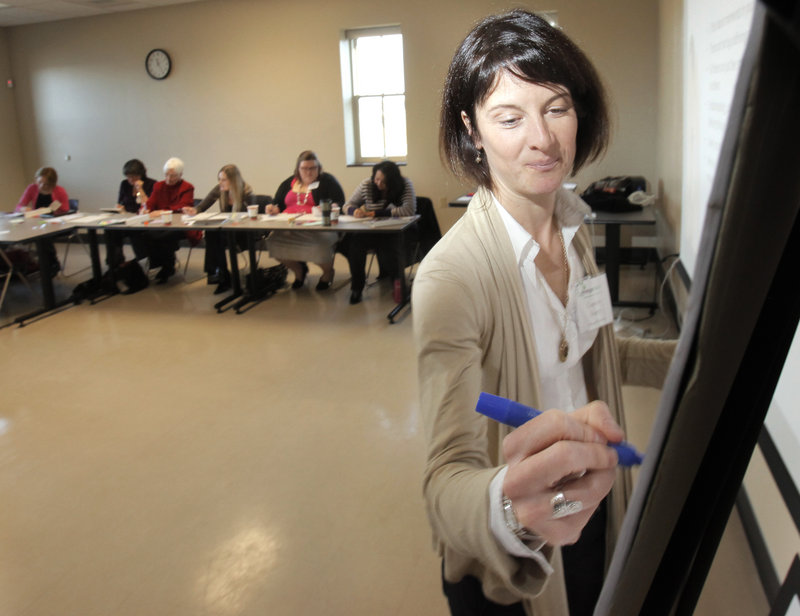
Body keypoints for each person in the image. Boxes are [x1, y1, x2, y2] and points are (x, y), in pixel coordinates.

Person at [412, 10, 676, 616]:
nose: (543, 138)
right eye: (509, 117)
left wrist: (697, 358)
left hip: (593, 499)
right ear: (471, 129)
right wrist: (510, 504)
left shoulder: (575, 230)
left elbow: (599, 348)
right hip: (512, 547)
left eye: (557, 108)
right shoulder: (452, 276)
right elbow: (445, 479)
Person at [265, 150, 344, 290]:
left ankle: (327, 273)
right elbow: (277, 203)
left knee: (320, 245)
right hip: (289, 227)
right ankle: (299, 271)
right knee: (273, 243)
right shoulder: (288, 183)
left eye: (312, 168)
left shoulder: (327, 181)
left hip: (318, 227)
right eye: (304, 168)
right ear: (298, 169)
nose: (308, 172)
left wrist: (331, 206)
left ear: (318, 168)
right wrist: (273, 208)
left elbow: (339, 202)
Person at [341, 160, 416, 305]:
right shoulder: (367, 185)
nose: (379, 184)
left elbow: (408, 210)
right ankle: (357, 288)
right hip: (372, 229)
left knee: (392, 247)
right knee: (355, 245)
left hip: (396, 230)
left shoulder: (405, 184)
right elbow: (347, 205)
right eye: (377, 179)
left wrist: (375, 213)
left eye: (383, 182)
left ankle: (398, 286)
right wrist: (354, 210)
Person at [183, 164, 255, 294]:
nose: (220, 183)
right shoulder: (220, 189)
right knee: (211, 233)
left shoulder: (247, 193)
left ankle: (219, 275)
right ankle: (222, 274)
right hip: (226, 230)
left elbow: (249, 218)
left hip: (243, 232)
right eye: (219, 179)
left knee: (214, 236)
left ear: (233, 180)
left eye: (223, 180)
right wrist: (193, 210)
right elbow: (202, 205)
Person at [143, 157, 195, 284]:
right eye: (166, 175)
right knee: (146, 234)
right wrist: (146, 209)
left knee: (164, 236)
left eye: (173, 176)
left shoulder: (187, 187)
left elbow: (183, 207)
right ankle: (161, 264)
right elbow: (151, 204)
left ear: (180, 175)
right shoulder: (158, 186)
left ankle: (167, 267)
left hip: (181, 225)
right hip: (160, 224)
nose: (169, 179)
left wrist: (162, 211)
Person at [15, 167, 70, 274]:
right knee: (38, 231)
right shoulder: (32, 188)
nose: (41, 186)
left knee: (43, 234)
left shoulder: (59, 191)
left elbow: (65, 209)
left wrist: (51, 208)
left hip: (55, 222)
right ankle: (47, 263)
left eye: (46, 184)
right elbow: (19, 206)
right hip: (38, 221)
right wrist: (24, 209)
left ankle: (50, 263)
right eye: (39, 182)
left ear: (52, 183)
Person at [106, 159, 155, 269]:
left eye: (134, 176)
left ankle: (143, 261)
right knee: (111, 231)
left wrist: (140, 189)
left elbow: (149, 205)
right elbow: (120, 202)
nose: (131, 180)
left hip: (144, 220)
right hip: (127, 218)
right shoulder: (124, 184)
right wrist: (119, 208)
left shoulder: (151, 184)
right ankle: (115, 263)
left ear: (141, 174)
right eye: (128, 177)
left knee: (136, 233)